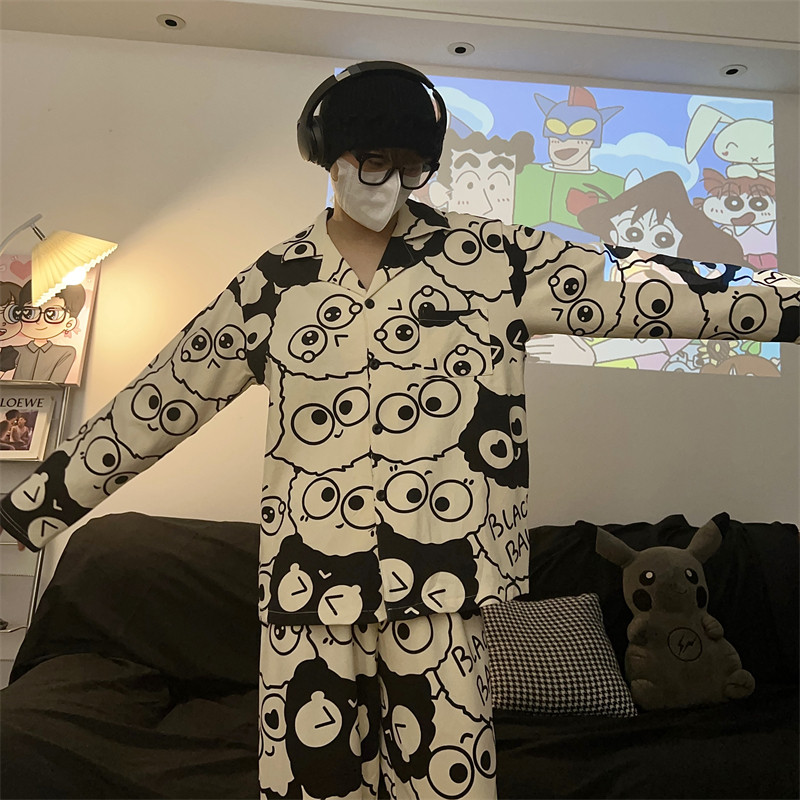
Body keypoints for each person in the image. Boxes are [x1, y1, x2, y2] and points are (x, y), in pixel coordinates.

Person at [1, 61, 798, 800]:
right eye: (371, 160)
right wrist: (27, 510)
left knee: (447, 784)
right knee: (313, 783)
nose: (389, 181)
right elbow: (164, 397)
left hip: (445, 581)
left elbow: (645, 285)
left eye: (409, 165)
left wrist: (787, 302)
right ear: (329, 157)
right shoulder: (274, 285)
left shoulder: (494, 260)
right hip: (311, 586)